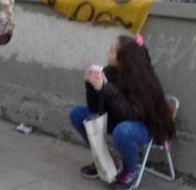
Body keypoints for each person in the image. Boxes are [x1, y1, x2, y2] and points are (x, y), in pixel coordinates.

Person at [69, 35, 176, 190]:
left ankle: (130, 170)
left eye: (112, 51)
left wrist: (107, 89)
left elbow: (133, 114)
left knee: (123, 131)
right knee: (78, 114)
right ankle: (105, 160)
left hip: (144, 126)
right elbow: (95, 109)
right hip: (117, 118)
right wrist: (90, 86)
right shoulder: (109, 72)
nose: (108, 52)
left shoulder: (143, 82)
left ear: (123, 60)